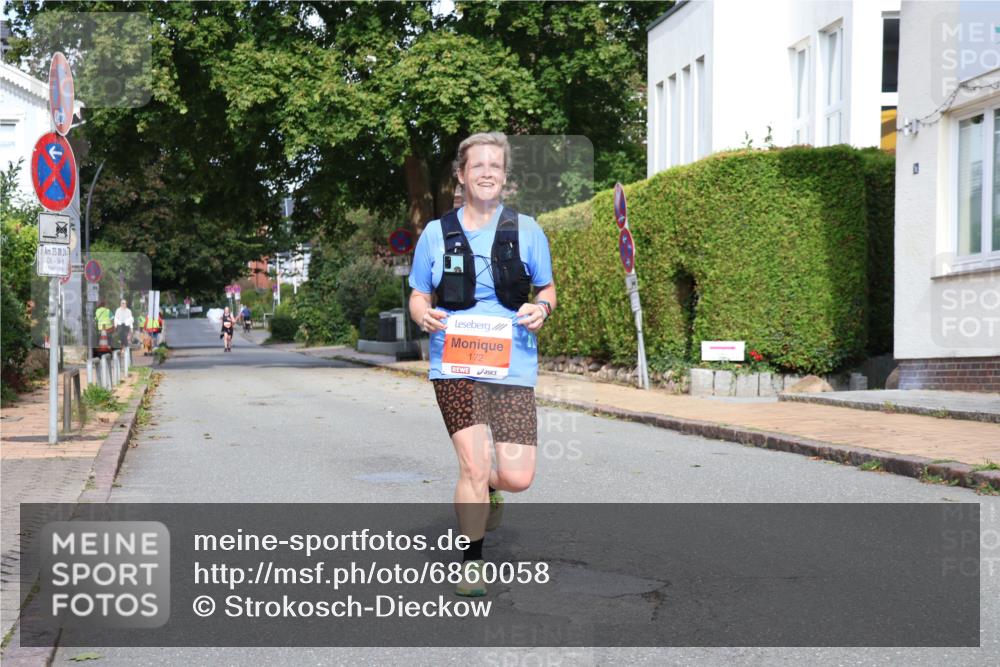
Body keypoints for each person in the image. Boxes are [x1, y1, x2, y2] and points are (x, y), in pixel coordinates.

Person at [408, 132, 556, 597]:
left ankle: (491, 487)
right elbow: (418, 294)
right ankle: (471, 562)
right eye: (478, 166)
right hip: (454, 363)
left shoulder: (528, 231)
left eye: (495, 166)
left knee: (517, 476)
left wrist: (542, 309)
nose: (487, 172)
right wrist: (421, 314)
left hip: (511, 364)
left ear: (505, 178)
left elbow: (547, 290)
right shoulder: (435, 234)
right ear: (461, 175)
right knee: (472, 465)